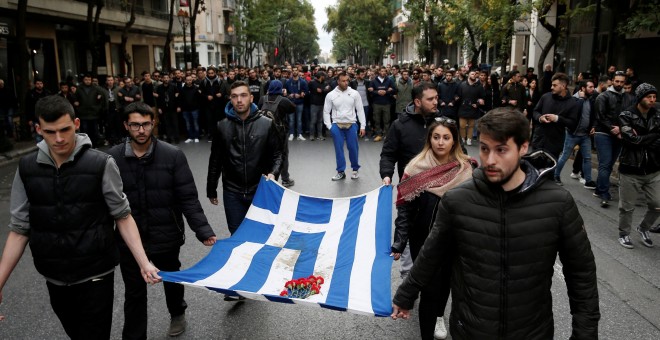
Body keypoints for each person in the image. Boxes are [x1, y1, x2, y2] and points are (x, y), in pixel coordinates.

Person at [391, 107, 600, 339]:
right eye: (484, 149)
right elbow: (431, 253)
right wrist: (406, 294)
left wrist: (585, 332)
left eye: (501, 150)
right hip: (470, 329)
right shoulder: (458, 200)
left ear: (523, 147)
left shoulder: (557, 203)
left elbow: (581, 274)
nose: (490, 160)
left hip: (532, 331)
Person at [0, 95, 160, 338]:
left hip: (96, 274)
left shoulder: (101, 163)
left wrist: (144, 262)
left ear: (76, 124)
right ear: (38, 129)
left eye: (65, 129)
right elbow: (20, 228)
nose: (59, 138)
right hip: (53, 275)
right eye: (50, 132)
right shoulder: (27, 168)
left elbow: (123, 216)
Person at [108, 102, 216, 338]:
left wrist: (203, 230)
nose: (141, 130)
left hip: (166, 232)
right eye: (135, 125)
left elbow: (188, 196)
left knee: (171, 278)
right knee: (134, 290)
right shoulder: (112, 158)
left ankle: (177, 313)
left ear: (153, 123)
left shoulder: (172, 155)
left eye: (146, 124)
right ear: (126, 126)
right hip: (129, 239)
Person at [390, 117, 474, 340]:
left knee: (446, 282)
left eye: (446, 138)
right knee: (429, 287)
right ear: (429, 139)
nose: (440, 142)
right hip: (424, 239)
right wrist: (400, 241)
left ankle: (438, 315)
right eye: (436, 137)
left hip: (456, 240)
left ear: (454, 141)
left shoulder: (465, 169)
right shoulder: (415, 167)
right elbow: (404, 209)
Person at [207, 81, 283, 237]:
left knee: (262, 235)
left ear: (251, 98)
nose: (239, 100)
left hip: (260, 190)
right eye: (234, 97)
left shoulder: (267, 124)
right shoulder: (222, 126)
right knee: (237, 236)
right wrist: (211, 188)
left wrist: (274, 172)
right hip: (232, 192)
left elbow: (278, 154)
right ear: (230, 100)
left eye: (243, 95)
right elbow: (215, 160)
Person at [616, 83, 660, 248]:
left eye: (654, 97)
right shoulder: (626, 115)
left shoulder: (658, 114)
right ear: (640, 97)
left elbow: (641, 140)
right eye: (649, 97)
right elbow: (632, 141)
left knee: (658, 205)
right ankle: (624, 234)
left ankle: (643, 228)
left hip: (654, 169)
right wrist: (654, 135)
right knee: (627, 208)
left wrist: (643, 137)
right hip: (631, 169)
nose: (652, 100)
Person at [553, 80, 597, 189]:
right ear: (582, 88)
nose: (593, 89)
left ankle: (588, 180)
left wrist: (593, 126)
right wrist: (581, 99)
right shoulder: (574, 99)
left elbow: (592, 115)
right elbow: (575, 112)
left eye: (593, 87)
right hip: (573, 134)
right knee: (565, 156)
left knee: (587, 158)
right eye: (590, 87)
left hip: (585, 135)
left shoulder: (591, 100)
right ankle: (556, 176)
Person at [323, 72, 366, 181]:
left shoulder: (354, 93)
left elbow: (360, 110)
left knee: (353, 148)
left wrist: (363, 126)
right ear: (338, 81)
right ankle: (340, 172)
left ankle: (355, 170)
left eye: (347, 80)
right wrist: (329, 126)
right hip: (336, 125)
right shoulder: (331, 95)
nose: (346, 82)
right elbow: (326, 111)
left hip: (351, 124)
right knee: (339, 150)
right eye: (343, 81)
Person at [593, 71, 627, 207]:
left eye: (622, 82)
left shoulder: (629, 97)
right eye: (617, 81)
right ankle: (604, 193)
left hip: (619, 135)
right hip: (603, 133)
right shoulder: (603, 96)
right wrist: (613, 129)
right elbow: (600, 116)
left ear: (625, 82)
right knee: (605, 164)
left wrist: (621, 129)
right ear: (612, 81)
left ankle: (598, 188)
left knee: (609, 164)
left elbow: (629, 116)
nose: (619, 84)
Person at [531, 72, 579, 161]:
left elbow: (573, 124)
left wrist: (557, 119)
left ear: (563, 86)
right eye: (552, 85)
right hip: (538, 140)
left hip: (554, 145)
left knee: (549, 173)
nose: (551, 87)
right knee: (533, 171)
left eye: (554, 85)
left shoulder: (572, 103)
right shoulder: (546, 97)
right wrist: (540, 118)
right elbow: (535, 111)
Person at [258, 80, 297, 187]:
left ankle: (266, 176)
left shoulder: (263, 98)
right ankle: (285, 179)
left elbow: (258, 109)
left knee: (265, 155)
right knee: (282, 155)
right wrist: (285, 96)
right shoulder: (283, 100)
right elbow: (293, 108)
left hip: (263, 131)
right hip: (280, 133)